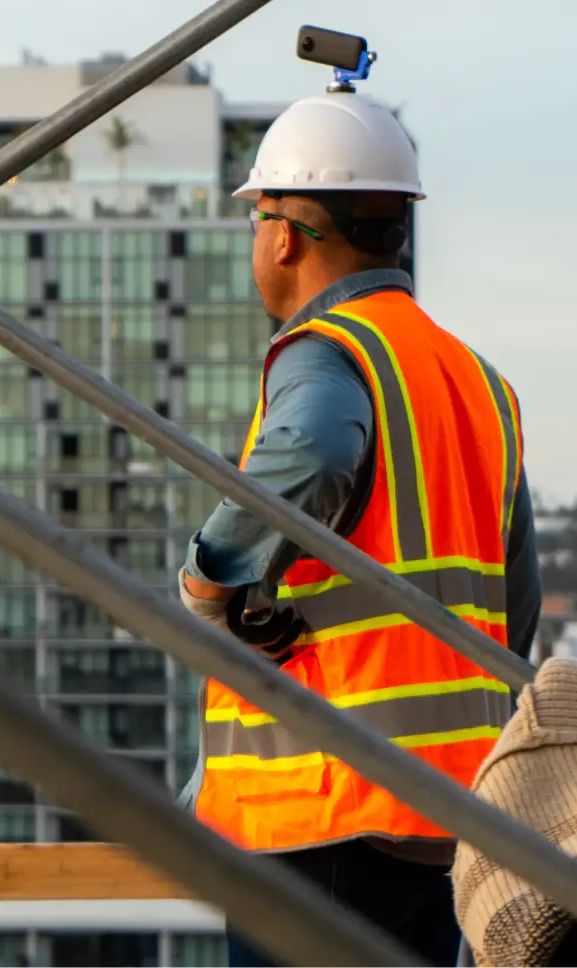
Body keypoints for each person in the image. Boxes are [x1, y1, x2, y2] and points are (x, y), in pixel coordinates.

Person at [174, 77, 542, 968]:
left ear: (287, 234)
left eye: (260, 216)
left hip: (327, 811)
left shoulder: (330, 354)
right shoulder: (474, 379)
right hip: (449, 816)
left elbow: (317, 451)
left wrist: (212, 580)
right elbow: (513, 600)